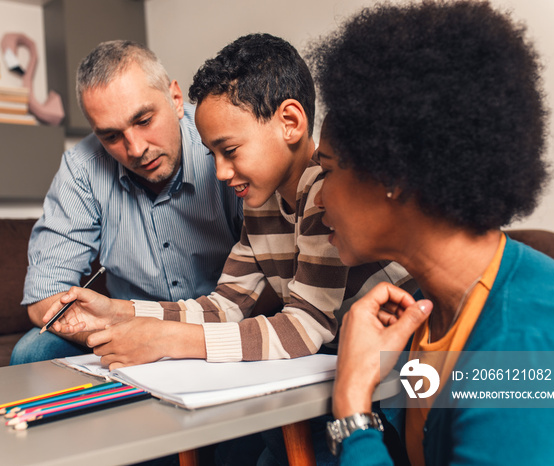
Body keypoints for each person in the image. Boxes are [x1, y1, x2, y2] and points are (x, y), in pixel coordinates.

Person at [43, 33, 413, 368]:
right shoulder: (260, 204)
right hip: (355, 357)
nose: (219, 172)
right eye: (212, 154)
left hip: (408, 354)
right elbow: (224, 306)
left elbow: (304, 327)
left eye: (230, 150)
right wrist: (119, 311)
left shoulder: (324, 193)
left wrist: (168, 338)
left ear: (290, 122)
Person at [309, 1, 554, 464]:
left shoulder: (525, 347)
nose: (318, 199)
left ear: (392, 175)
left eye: (326, 171)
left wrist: (352, 403)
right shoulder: (428, 314)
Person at [11, 40, 244, 365]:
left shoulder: (223, 141)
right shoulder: (82, 169)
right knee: (31, 353)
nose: (135, 149)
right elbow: (43, 298)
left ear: (175, 99)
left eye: (144, 120)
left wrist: (170, 338)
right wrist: (124, 334)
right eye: (110, 136)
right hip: (127, 327)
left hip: (228, 320)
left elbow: (269, 281)